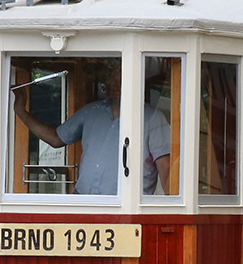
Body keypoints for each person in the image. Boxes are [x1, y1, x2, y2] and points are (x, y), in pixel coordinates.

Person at [14, 65, 170, 196]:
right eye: (114, 79)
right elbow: (55, 138)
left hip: (127, 211)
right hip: (84, 206)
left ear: (135, 82)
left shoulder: (152, 118)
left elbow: (167, 172)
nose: (117, 84)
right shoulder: (91, 112)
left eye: (122, 79)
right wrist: (21, 111)